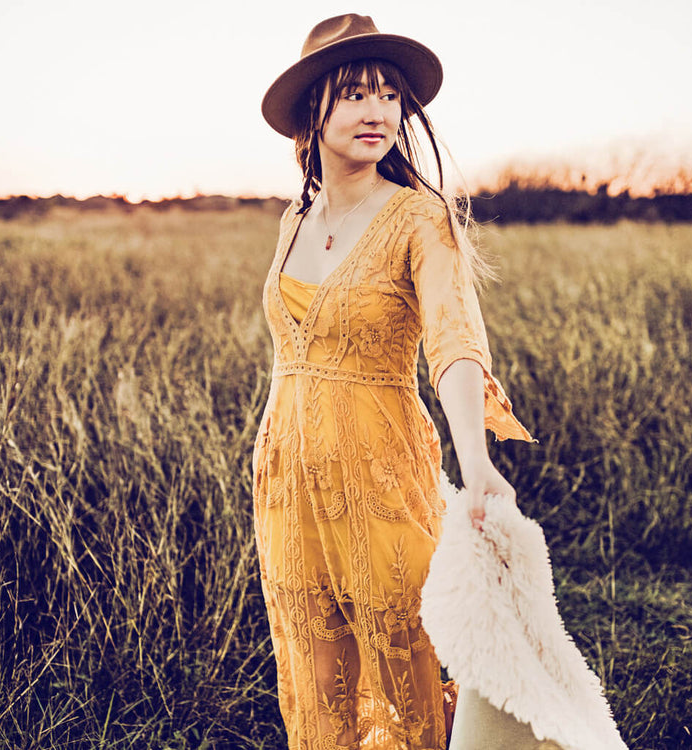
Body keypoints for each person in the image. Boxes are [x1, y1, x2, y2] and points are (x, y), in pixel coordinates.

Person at [254, 14, 533, 750]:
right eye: (353, 95)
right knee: (315, 670)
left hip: (379, 471)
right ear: (312, 112)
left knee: (399, 650)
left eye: (387, 95)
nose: (376, 111)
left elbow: (455, 342)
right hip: (288, 479)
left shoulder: (419, 218)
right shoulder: (294, 216)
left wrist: (475, 462)